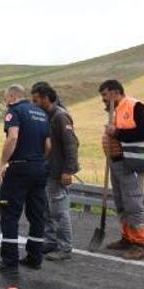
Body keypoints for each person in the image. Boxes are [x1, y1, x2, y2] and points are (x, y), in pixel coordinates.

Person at [0, 84, 50, 274]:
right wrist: (38, 160)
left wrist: (2, 163)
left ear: (11, 97)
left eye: (5, 98)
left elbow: (13, 137)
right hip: (39, 168)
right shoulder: (41, 113)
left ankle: (9, 260)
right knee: (36, 215)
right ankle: (35, 258)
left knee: (9, 214)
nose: (5, 102)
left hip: (19, 169)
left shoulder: (14, 112)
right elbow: (48, 145)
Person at [99, 79, 144, 260]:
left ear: (115, 92)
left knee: (133, 203)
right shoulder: (114, 111)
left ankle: (139, 245)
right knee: (121, 203)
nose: (103, 100)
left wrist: (117, 133)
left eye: (105, 96)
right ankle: (127, 238)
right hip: (117, 162)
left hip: (132, 162)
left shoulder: (135, 106)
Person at [30, 82, 80, 261]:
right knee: (47, 210)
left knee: (60, 211)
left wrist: (68, 170)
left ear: (45, 98)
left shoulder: (60, 117)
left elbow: (71, 145)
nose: (33, 104)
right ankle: (50, 242)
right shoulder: (47, 116)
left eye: (36, 100)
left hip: (59, 172)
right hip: (48, 171)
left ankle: (65, 248)